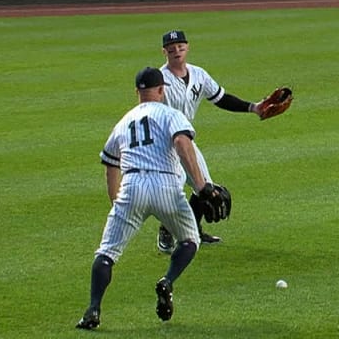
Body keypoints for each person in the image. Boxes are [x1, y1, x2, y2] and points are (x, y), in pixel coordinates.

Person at [75, 67, 220, 330]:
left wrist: (116, 202)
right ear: (162, 89)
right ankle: (167, 280)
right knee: (190, 240)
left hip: (132, 186)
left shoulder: (124, 121)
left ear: (137, 92)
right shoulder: (170, 114)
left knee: (107, 253)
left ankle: (92, 311)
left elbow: (110, 163)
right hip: (166, 186)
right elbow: (182, 143)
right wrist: (202, 187)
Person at [154, 30, 269, 252]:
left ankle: (193, 230)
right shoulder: (160, 80)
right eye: (171, 47)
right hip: (164, 145)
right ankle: (166, 231)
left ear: (187, 47)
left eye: (180, 46)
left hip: (187, 140)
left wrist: (253, 107)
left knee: (204, 186)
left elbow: (221, 98)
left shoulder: (198, 74)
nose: (176, 50)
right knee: (172, 191)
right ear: (164, 51)